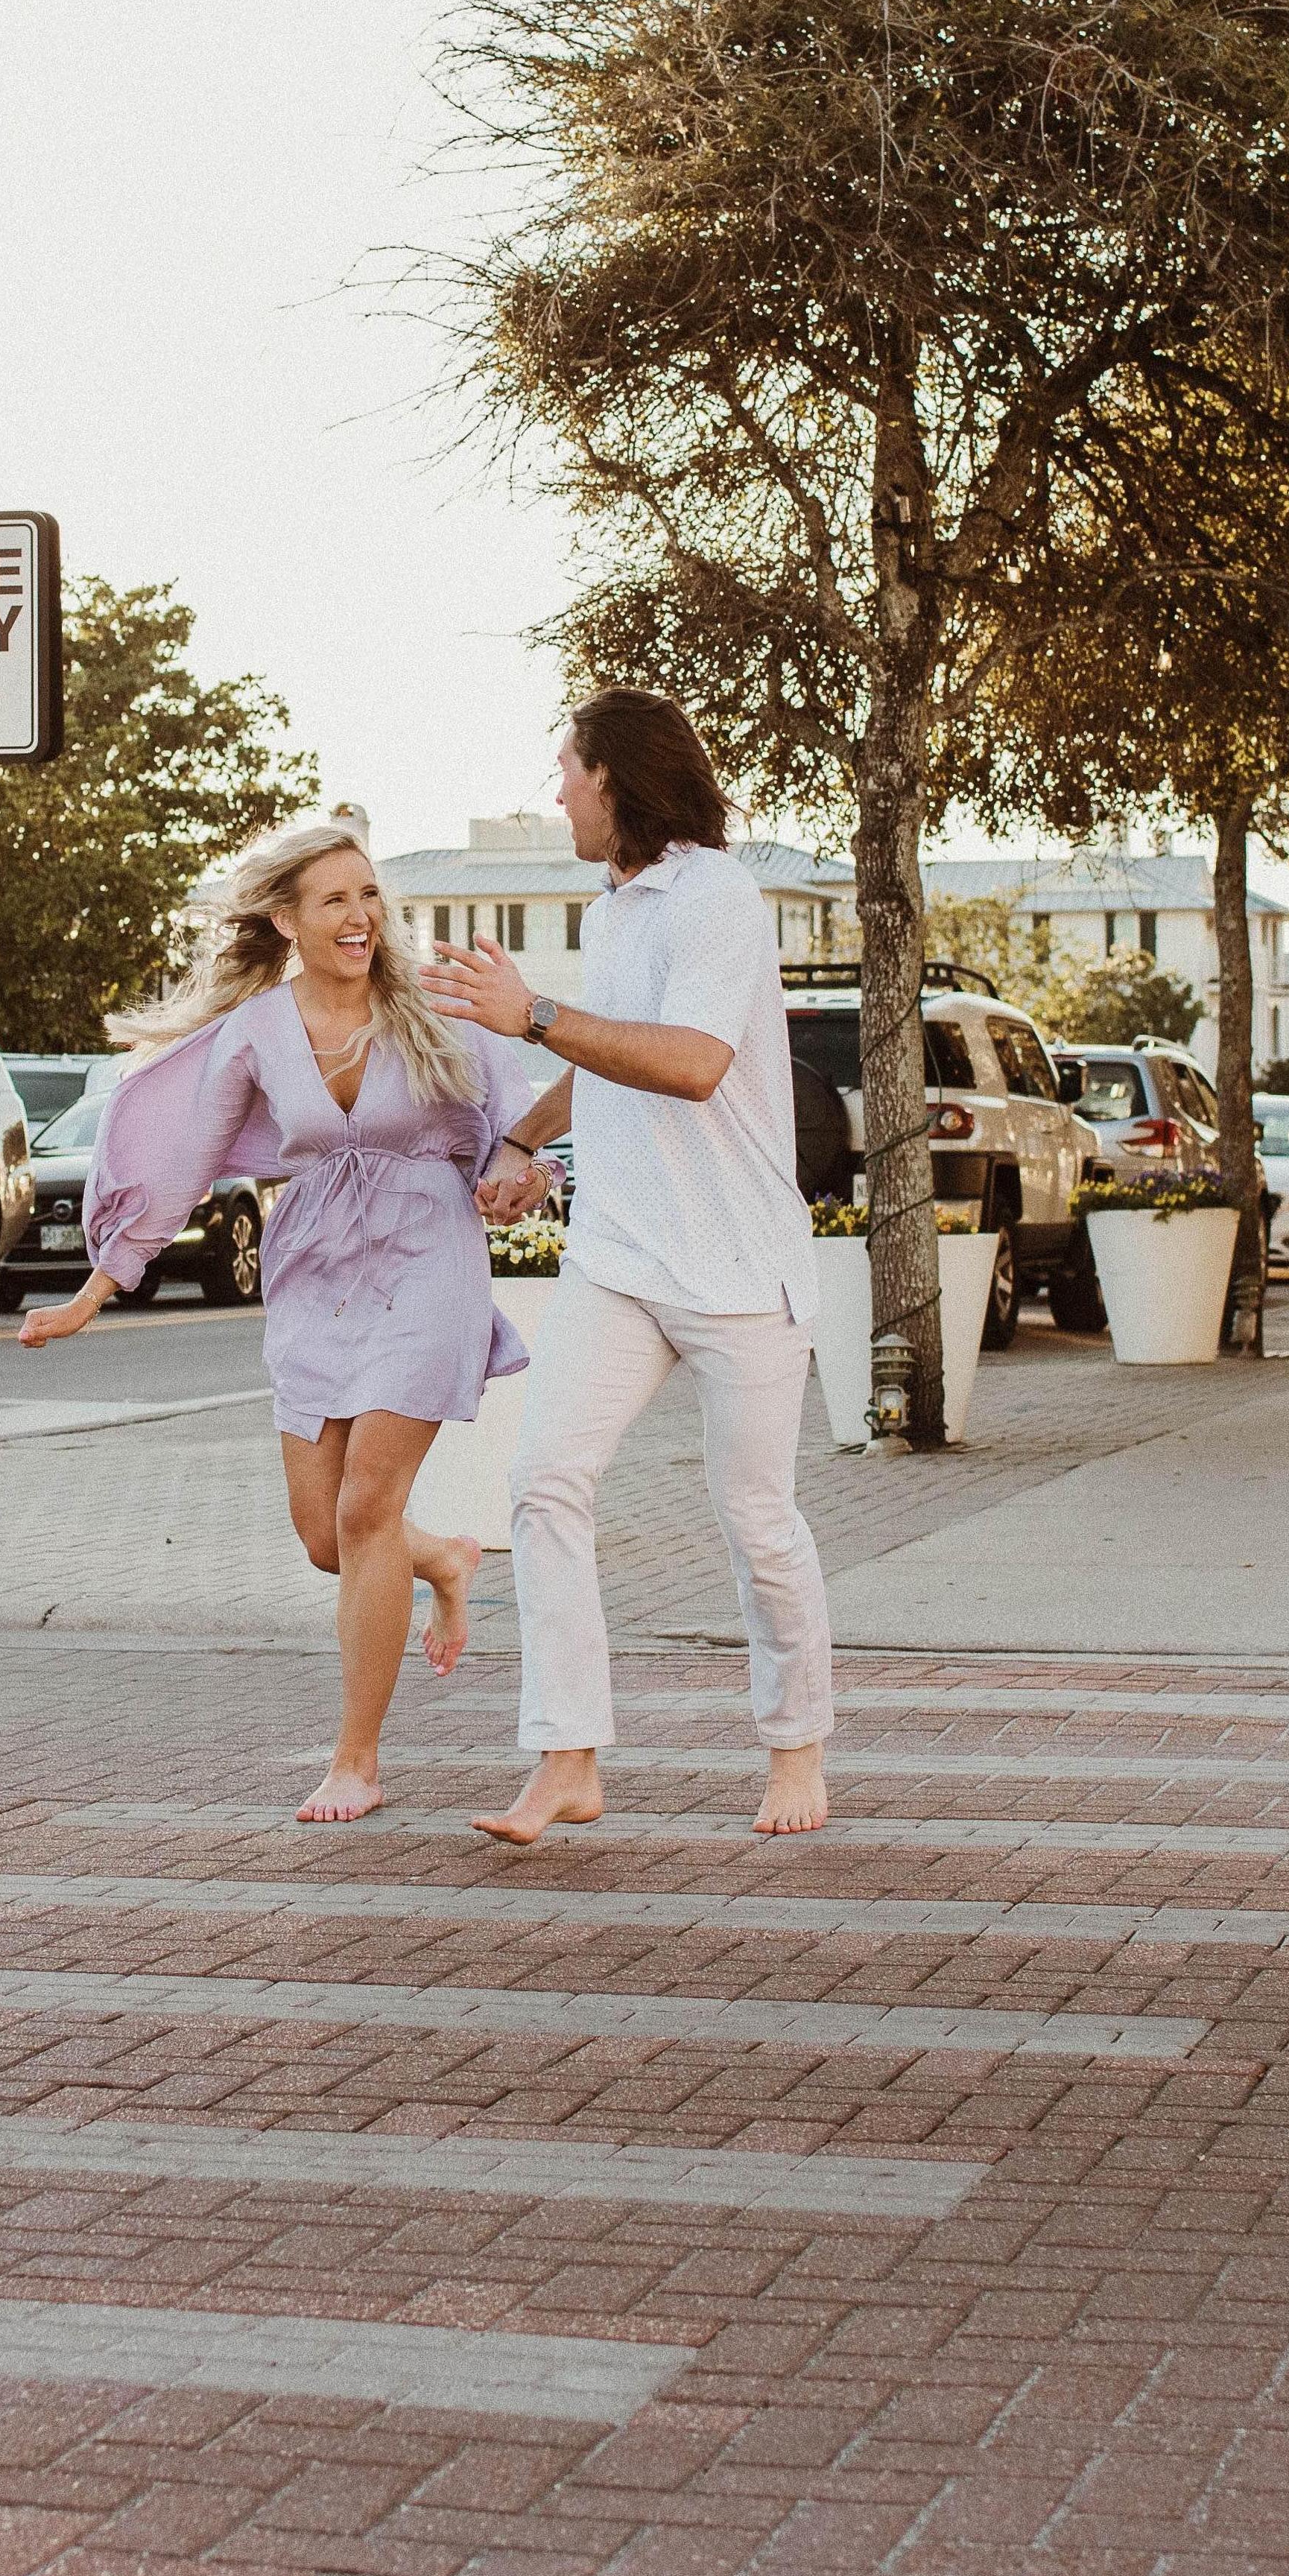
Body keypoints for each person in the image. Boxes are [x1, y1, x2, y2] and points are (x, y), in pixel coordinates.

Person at [18, 819, 539, 1824]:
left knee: (366, 1507)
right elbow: (182, 1168)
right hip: (315, 1271)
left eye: (369, 894)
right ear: (287, 919)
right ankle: (441, 1557)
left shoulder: (434, 1004)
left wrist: (520, 1179)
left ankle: (357, 1760)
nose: (359, 916)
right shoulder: (257, 1030)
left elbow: (510, 1123)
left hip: (429, 1256)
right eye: (334, 899)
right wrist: (97, 1289)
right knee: (323, 1535)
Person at [420, 690, 834, 1845]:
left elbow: (692, 1063)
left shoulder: (716, 897)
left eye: (566, 769)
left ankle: (796, 1747)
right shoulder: (610, 911)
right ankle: (568, 1758)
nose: (555, 792)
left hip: (737, 1264)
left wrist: (531, 1015)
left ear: (614, 777)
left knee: (755, 1518)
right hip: (617, 1257)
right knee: (544, 1481)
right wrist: (524, 1142)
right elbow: (605, 1053)